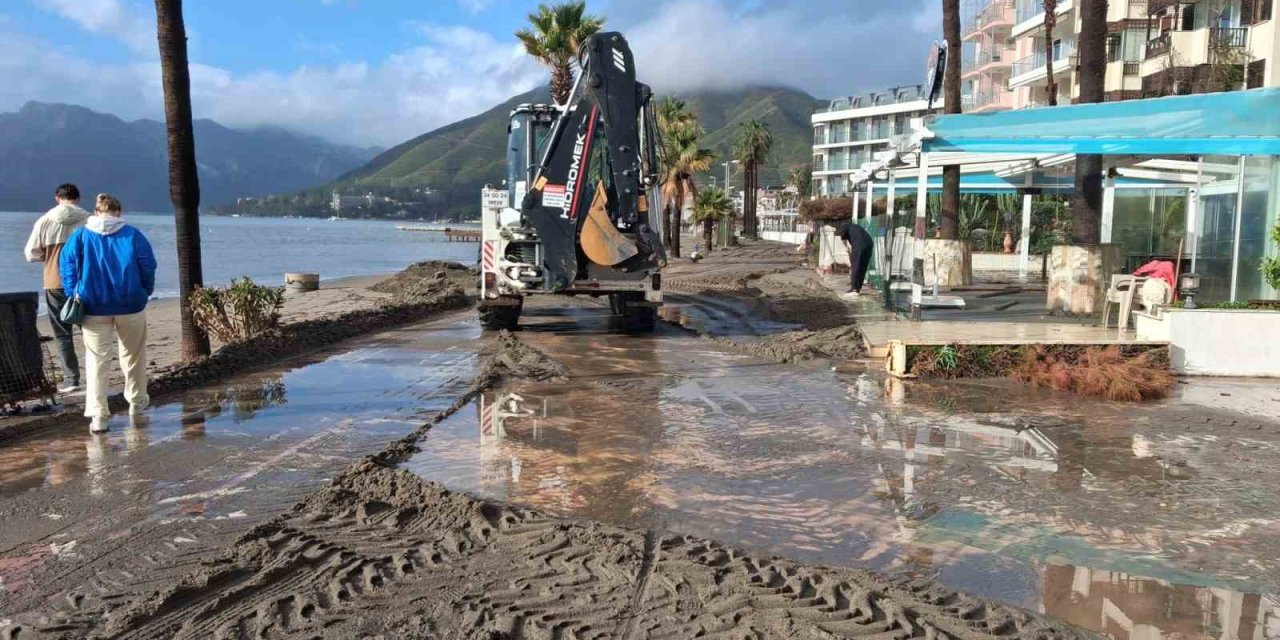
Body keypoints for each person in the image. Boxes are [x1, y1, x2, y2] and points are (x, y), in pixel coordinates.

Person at [60, 194, 157, 433]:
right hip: (130, 305)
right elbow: (148, 265)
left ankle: (98, 415)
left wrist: (74, 291)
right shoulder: (133, 235)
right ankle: (136, 402)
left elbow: (67, 265)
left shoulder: (81, 236)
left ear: (96, 211)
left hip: (93, 306)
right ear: (118, 212)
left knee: (96, 360)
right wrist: (145, 291)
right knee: (133, 355)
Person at [23, 183, 90, 392]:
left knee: (62, 333)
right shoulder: (89, 220)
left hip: (54, 282)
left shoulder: (45, 220)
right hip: (84, 282)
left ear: (57, 198)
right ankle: (97, 374)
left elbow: (30, 253)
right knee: (91, 331)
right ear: (77, 198)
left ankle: (72, 379)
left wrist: (48, 256)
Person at [837, 219, 874, 297]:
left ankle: (854, 289)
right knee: (862, 267)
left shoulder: (844, 226)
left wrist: (846, 247)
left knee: (855, 266)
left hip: (859, 245)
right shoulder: (855, 226)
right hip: (869, 244)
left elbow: (843, 238)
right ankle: (858, 288)